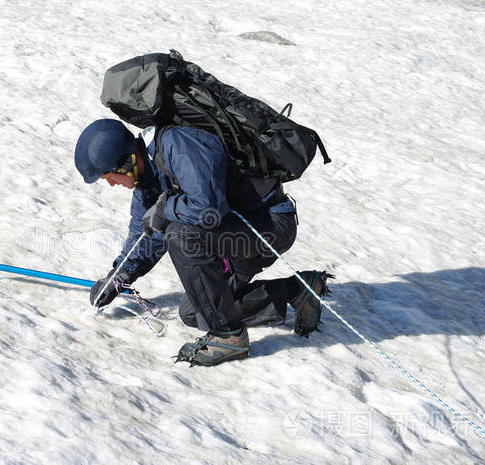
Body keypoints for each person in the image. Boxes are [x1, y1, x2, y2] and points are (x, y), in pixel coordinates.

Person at [74, 118, 330, 366]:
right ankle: (298, 291)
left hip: (268, 226)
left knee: (179, 234)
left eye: (108, 176)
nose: (110, 184)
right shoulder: (148, 178)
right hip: (234, 235)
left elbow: (208, 208)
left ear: (127, 161)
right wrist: (120, 275)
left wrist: (165, 209)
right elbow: (146, 233)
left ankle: (228, 335)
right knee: (195, 313)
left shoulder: (178, 145)